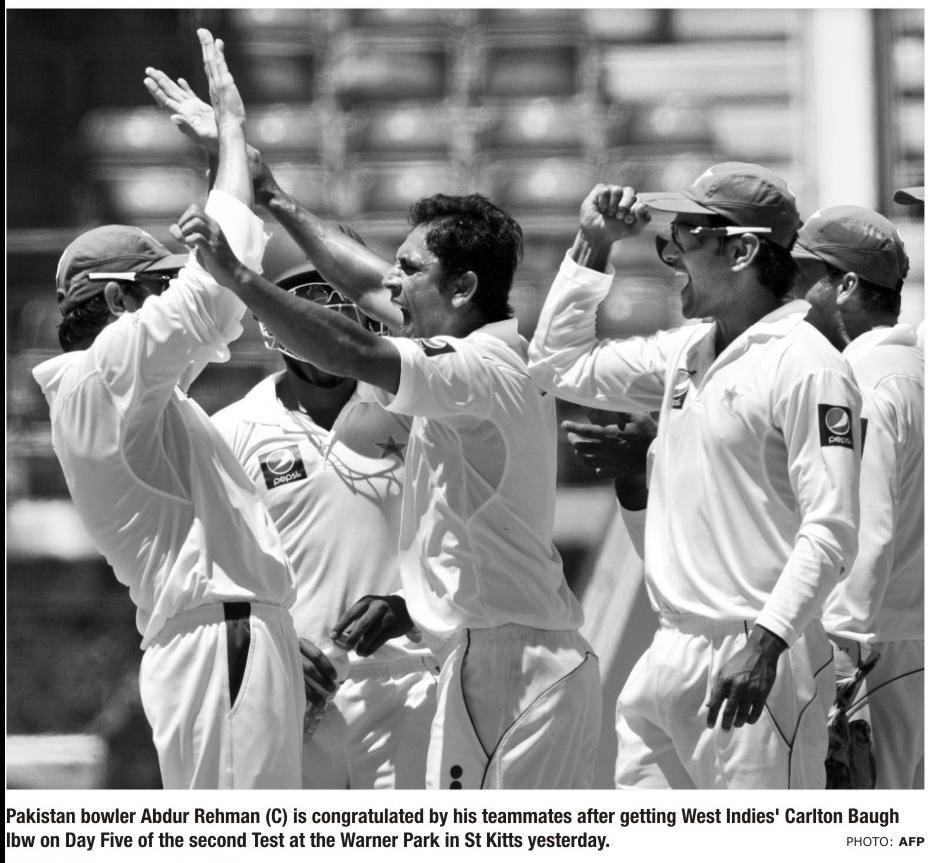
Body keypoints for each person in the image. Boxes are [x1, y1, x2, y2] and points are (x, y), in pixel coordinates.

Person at [169, 187, 601, 788]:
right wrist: (272, 196)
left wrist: (238, 277)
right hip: (494, 656)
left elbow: (352, 345)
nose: (389, 284)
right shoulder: (477, 355)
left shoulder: (472, 368)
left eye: (410, 269)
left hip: (503, 666)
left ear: (462, 289)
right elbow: (371, 290)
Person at [527, 164, 863, 789]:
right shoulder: (687, 349)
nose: (671, 254)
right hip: (669, 648)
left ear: (742, 251)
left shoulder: (808, 364)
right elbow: (555, 363)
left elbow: (832, 528)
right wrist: (594, 244)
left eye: (686, 236)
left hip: (756, 651)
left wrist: (766, 644)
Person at [31, 29, 304, 789]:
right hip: (220, 633)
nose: (170, 292)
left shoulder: (117, 391)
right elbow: (215, 291)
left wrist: (226, 159)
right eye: (156, 284)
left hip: (218, 634)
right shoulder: (104, 375)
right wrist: (232, 134)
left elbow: (217, 299)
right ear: (119, 300)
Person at [211, 266, 438, 789]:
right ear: (275, 326)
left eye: (336, 318)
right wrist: (269, 648)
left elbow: (460, 532)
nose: (323, 336)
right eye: (306, 320)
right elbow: (211, 573)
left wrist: (409, 605)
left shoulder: (417, 412)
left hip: (407, 683)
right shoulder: (229, 432)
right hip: (292, 689)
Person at [792, 204, 923, 789]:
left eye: (803, 273)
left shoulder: (864, 380)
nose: (789, 289)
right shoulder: (911, 367)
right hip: (902, 640)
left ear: (845, 285)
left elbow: (866, 525)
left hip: (875, 652)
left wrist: (842, 653)